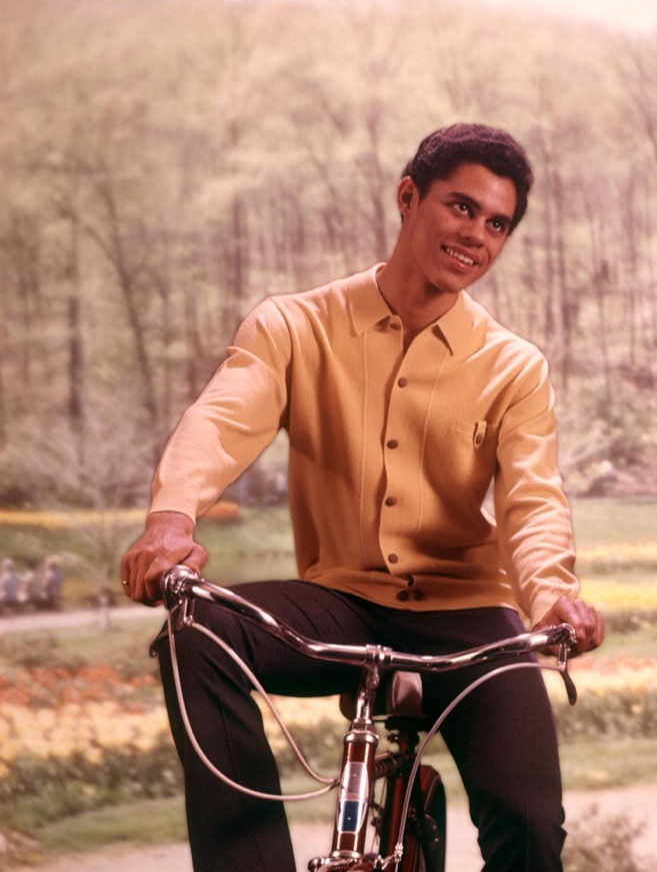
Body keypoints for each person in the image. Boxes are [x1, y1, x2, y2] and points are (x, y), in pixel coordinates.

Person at [121, 123, 604, 872]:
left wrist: (551, 598)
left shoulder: (514, 367)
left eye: (497, 224)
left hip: (470, 618)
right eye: (461, 207)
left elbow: (532, 501)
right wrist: (170, 520)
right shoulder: (295, 325)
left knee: (530, 826)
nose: (477, 235)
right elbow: (221, 419)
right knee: (199, 632)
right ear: (408, 197)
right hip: (343, 603)